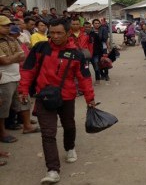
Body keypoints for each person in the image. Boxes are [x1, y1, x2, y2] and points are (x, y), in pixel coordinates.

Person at [18, 18, 96, 184]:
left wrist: (90, 98)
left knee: (69, 126)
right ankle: (52, 170)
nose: (55, 36)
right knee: (48, 133)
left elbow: (84, 78)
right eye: (52, 32)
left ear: (68, 33)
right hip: (44, 97)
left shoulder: (76, 54)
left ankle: (70, 148)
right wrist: (23, 89)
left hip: (66, 97)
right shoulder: (40, 48)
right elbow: (28, 69)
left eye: (59, 32)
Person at [0, 16, 26, 144]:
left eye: (8, 25)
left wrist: (12, 57)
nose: (7, 27)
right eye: (4, 26)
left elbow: (23, 56)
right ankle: (2, 132)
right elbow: (3, 61)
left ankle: (13, 124)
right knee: (3, 106)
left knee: (14, 103)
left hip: (15, 75)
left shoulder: (11, 39)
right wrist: (15, 56)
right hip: (3, 78)